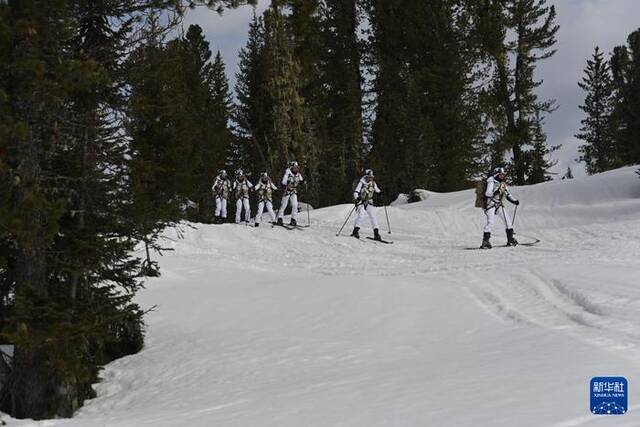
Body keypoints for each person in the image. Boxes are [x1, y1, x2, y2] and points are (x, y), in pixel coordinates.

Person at [481, 167, 520, 249]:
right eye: (500, 174)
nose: (502, 176)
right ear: (496, 174)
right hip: (490, 204)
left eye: (503, 174)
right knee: (491, 222)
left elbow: (508, 194)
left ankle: (510, 239)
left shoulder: (503, 184)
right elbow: (487, 193)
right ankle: (485, 241)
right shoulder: (491, 181)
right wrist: (496, 192)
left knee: (508, 222)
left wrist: (514, 201)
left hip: (499, 205)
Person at [351, 169, 382, 241]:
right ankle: (355, 232)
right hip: (361, 202)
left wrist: (381, 194)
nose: (370, 178)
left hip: (369, 202)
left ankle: (376, 234)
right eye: (369, 177)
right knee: (361, 215)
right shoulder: (361, 183)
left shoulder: (373, 183)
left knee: (373, 216)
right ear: (366, 176)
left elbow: (377, 190)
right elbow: (356, 192)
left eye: (372, 177)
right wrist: (357, 198)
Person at [276, 161, 304, 226]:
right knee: (283, 205)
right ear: (291, 167)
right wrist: (285, 184)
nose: (296, 169)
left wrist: (304, 182)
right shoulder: (288, 173)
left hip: (294, 191)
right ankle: (279, 218)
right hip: (287, 192)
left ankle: (293, 219)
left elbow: (301, 181)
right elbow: (283, 182)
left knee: (295, 205)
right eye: (294, 167)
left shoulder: (298, 174)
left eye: (297, 168)